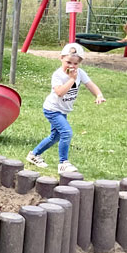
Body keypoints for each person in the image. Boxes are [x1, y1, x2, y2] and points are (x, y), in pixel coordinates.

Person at [27, 43, 106, 173]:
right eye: (68, 62)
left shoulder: (80, 73)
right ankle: (63, 163)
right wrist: (71, 80)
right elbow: (59, 92)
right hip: (52, 109)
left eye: (75, 64)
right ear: (61, 58)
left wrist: (98, 94)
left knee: (55, 136)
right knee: (66, 132)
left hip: (63, 110)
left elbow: (90, 84)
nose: (71, 66)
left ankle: (34, 155)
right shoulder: (58, 75)